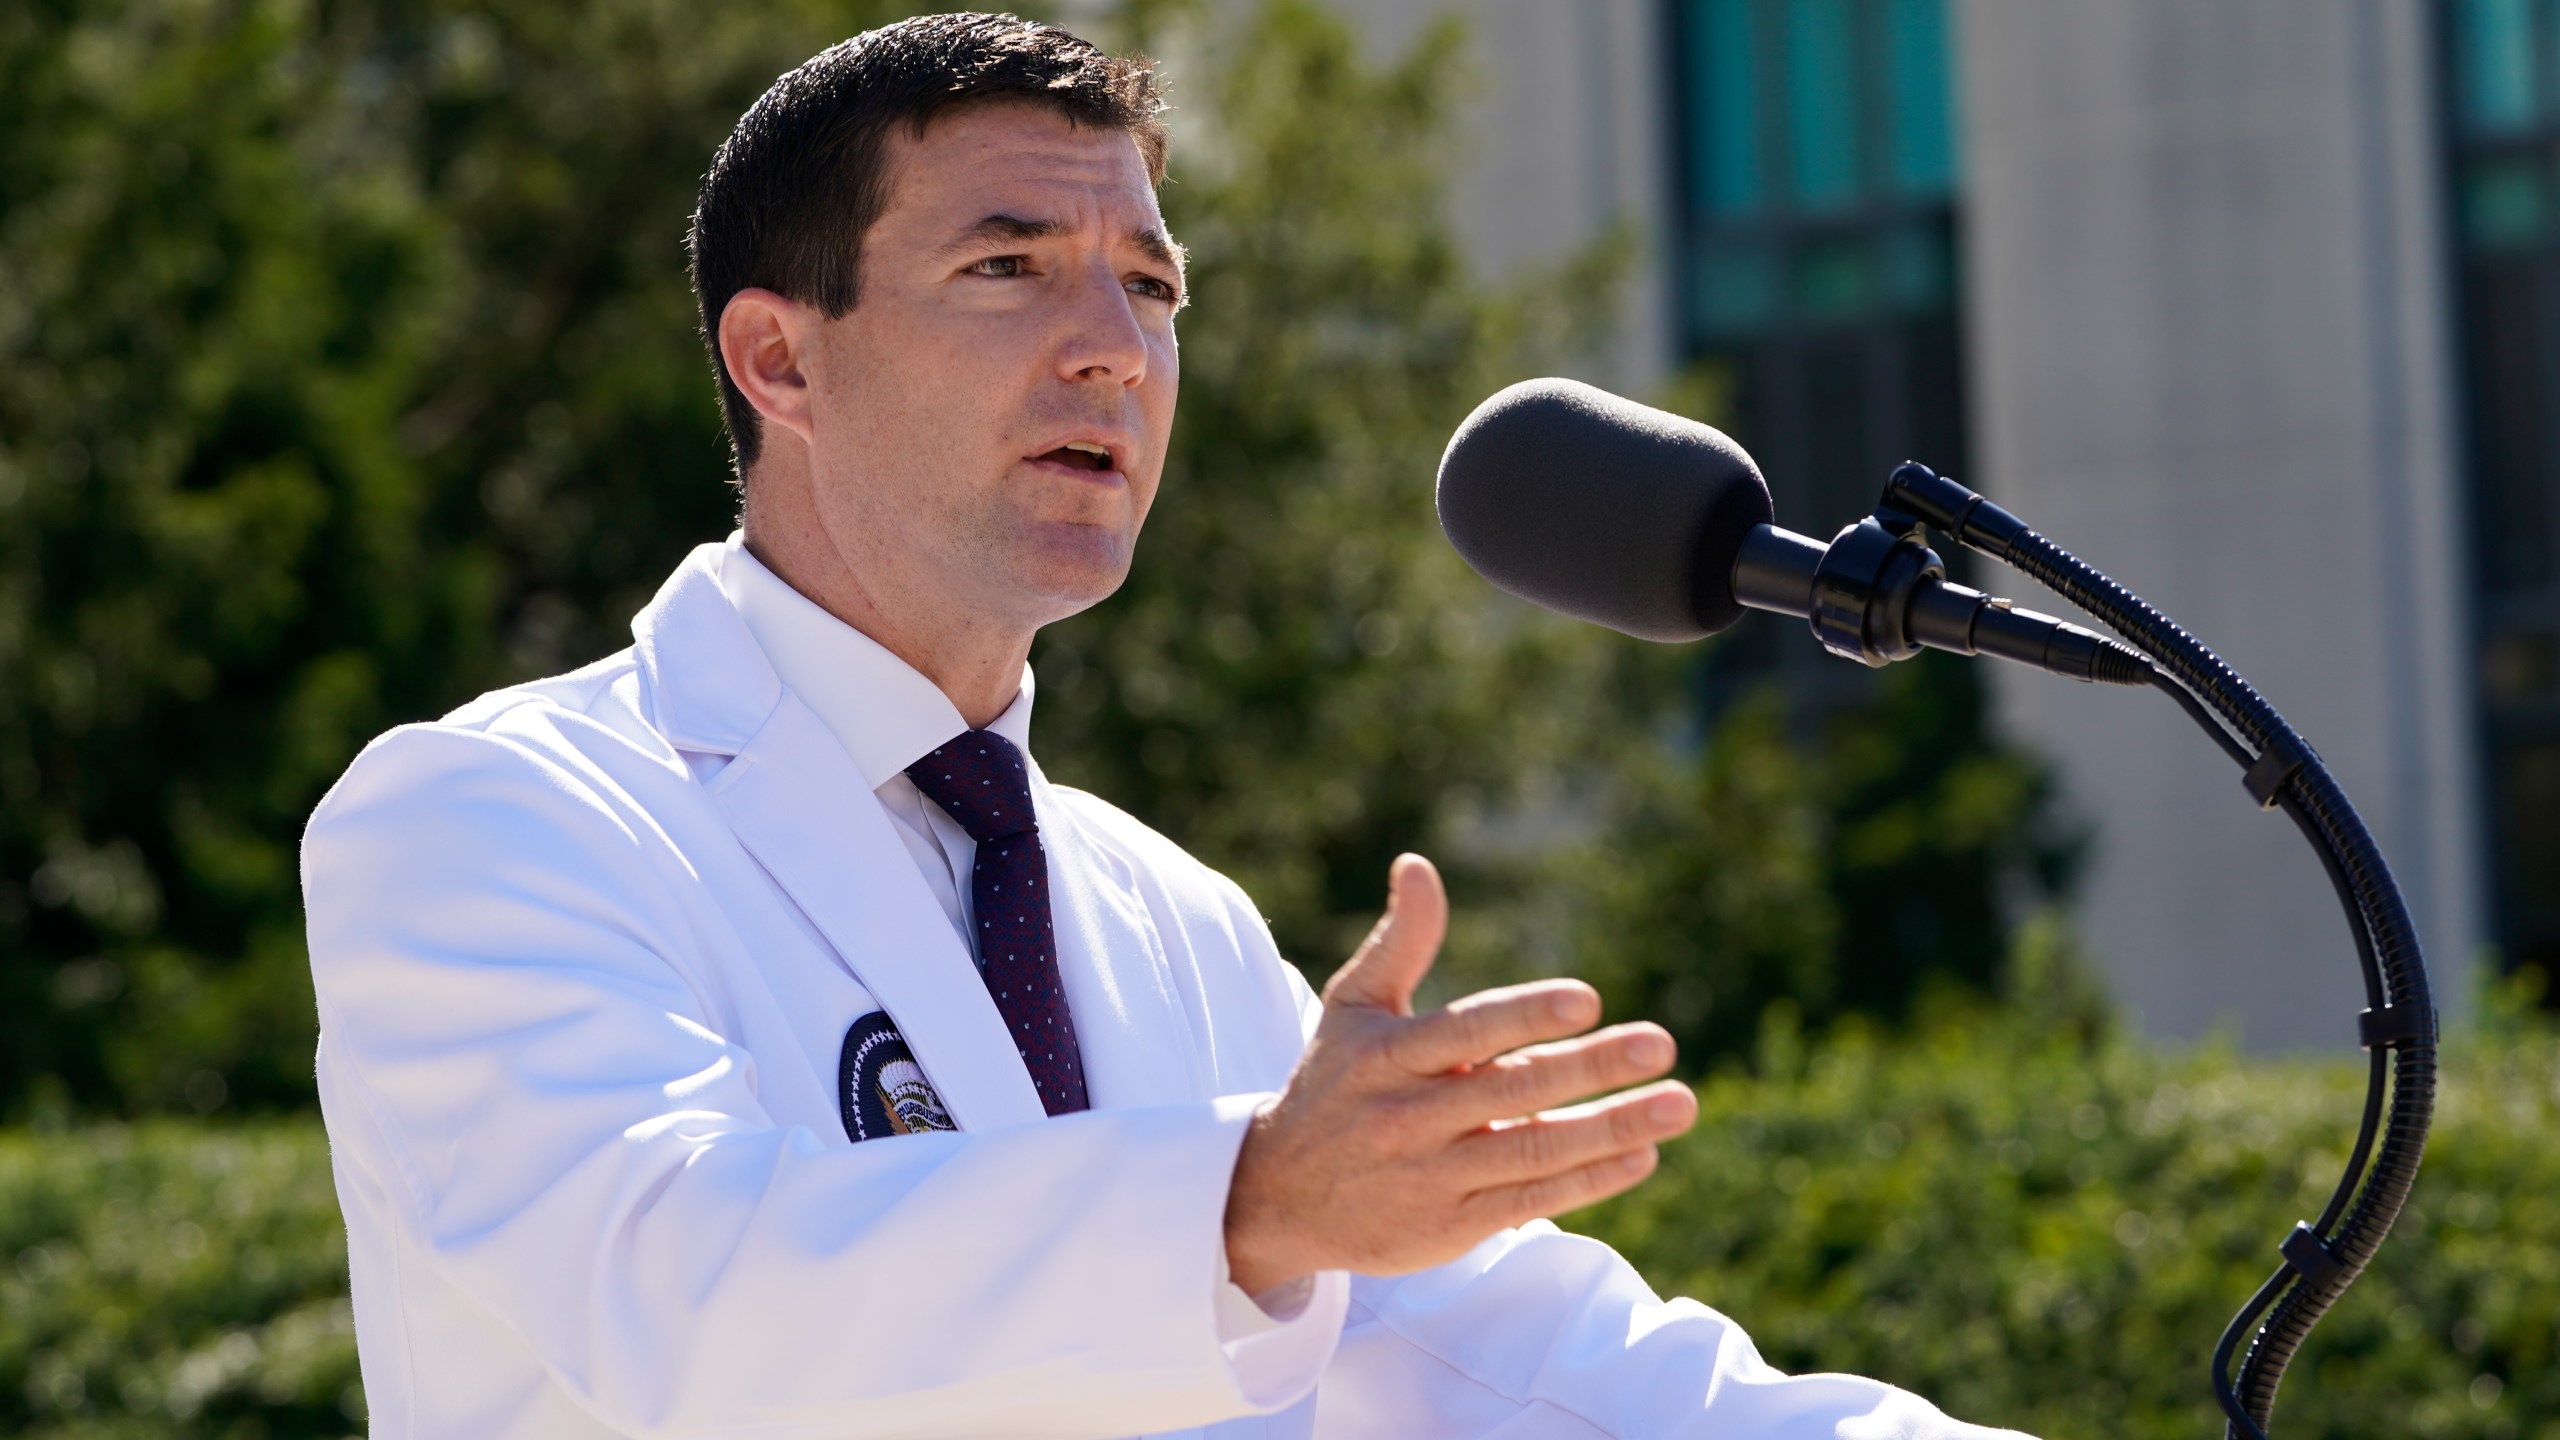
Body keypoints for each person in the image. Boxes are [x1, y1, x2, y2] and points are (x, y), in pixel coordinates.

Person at [301, 13, 2031, 1439]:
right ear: (781, 362)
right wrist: (1245, 1205)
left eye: (1153, 285)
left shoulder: (1165, 917)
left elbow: (1548, 1371)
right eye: (1010, 266)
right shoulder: (487, 820)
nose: (1114, 349)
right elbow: (683, 1300)